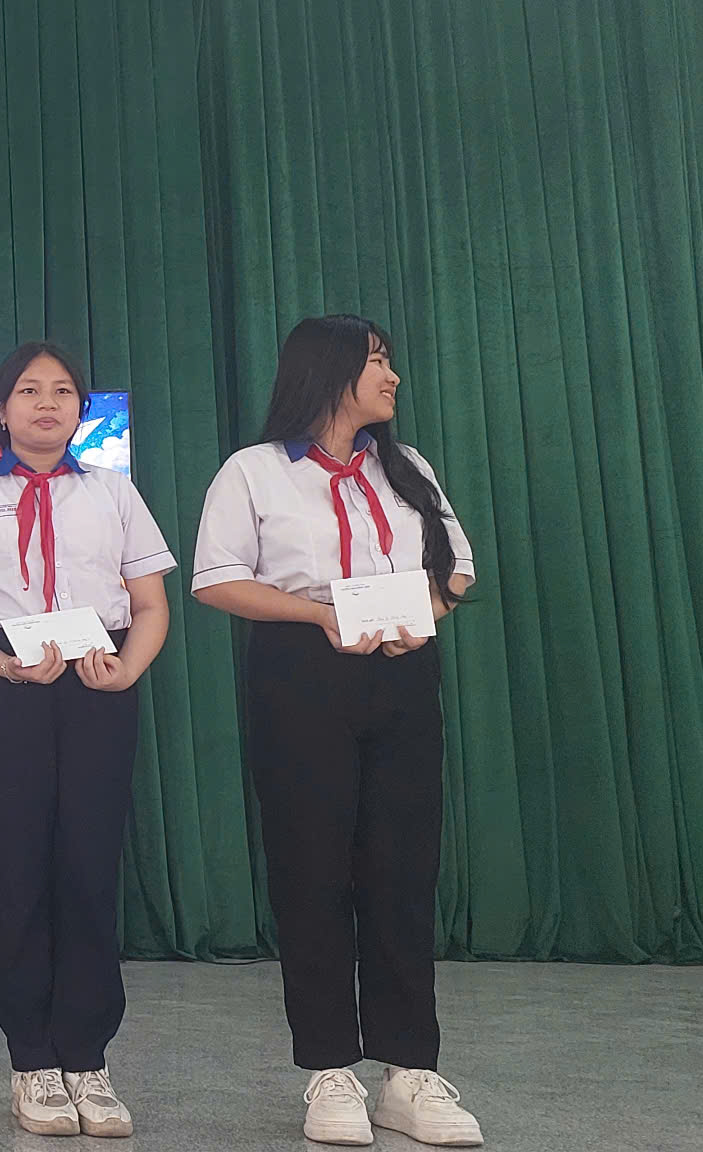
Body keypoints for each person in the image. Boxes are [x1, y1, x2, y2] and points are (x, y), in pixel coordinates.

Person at [191, 315, 482, 1147]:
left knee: (403, 869)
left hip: (402, 670)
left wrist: (416, 616)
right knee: (312, 870)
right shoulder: (253, 470)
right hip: (301, 672)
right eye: (377, 362)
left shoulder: (408, 465)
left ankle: (410, 1070)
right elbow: (216, 580)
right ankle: (328, 1070)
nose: (392, 377)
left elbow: (457, 569)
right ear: (328, 371)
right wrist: (321, 614)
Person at [0, 342, 174, 1138]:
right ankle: (31, 1059)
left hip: (98, 683)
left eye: (63, 391)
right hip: (5, 684)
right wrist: (2, 666)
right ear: (1, 410)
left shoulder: (114, 492)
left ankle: (88, 1060)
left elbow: (151, 605)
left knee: (89, 871)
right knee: (17, 871)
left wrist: (126, 672)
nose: (47, 404)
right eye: (30, 391)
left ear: (81, 411)